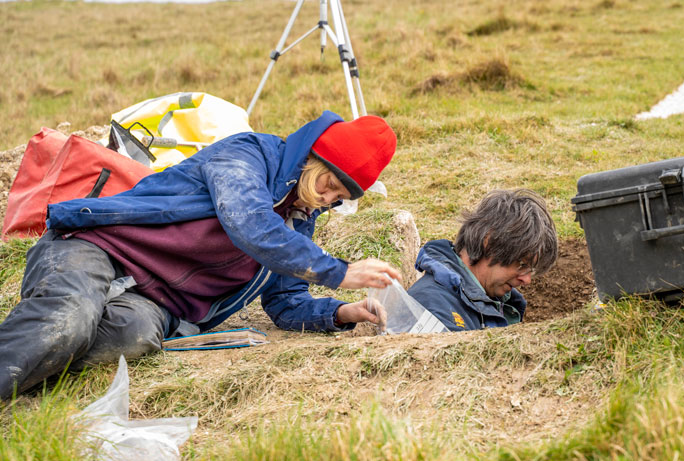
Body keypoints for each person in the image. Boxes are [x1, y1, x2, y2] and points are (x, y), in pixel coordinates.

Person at [0, 111, 402, 400]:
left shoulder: (300, 224)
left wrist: (341, 314)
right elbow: (248, 222)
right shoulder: (248, 154)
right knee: (70, 321)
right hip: (99, 249)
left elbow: (285, 302)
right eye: (331, 184)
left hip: (153, 302)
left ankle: (29, 380)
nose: (327, 200)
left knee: (135, 337)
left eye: (339, 199)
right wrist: (339, 271)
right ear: (314, 158)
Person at [407, 189, 558, 332]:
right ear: (489, 243)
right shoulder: (430, 308)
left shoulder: (500, 302)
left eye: (530, 269)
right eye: (522, 264)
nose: (527, 280)